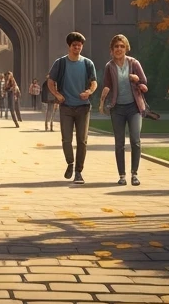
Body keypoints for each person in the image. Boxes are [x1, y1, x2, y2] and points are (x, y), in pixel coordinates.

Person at [98, 34, 150, 187]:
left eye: (122, 46)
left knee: (135, 140)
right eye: (116, 47)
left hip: (134, 107)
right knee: (119, 143)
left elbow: (144, 83)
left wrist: (137, 80)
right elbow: (107, 86)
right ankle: (122, 175)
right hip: (117, 109)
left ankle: (134, 174)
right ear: (112, 50)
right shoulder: (109, 66)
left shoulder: (134, 63)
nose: (119, 49)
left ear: (126, 48)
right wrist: (101, 103)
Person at [47, 32, 97, 184]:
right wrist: (57, 94)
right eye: (74, 45)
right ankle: (70, 163)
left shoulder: (88, 63)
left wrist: (89, 92)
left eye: (79, 45)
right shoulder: (60, 63)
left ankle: (78, 172)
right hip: (66, 107)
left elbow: (94, 82)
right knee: (66, 140)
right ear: (69, 46)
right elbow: (50, 81)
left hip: (83, 107)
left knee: (82, 140)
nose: (77, 48)